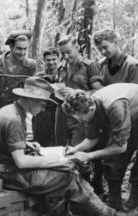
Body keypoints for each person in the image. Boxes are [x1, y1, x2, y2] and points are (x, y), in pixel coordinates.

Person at [0, 77, 138, 216]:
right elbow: (22, 162)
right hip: (13, 175)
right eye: (43, 103)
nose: (43, 108)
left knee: (63, 169)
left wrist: (27, 145)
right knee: (69, 176)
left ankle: (78, 208)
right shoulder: (15, 120)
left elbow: (6, 142)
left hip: (6, 168)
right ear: (31, 99)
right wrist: (57, 161)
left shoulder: (9, 110)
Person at [62, 83, 138, 210]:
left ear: (90, 110)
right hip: (132, 114)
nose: (79, 121)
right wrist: (76, 149)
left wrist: (89, 155)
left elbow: (120, 147)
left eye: (80, 118)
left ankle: (131, 206)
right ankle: (115, 202)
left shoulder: (115, 106)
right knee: (113, 162)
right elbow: (92, 138)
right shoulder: (90, 105)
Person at [53, 35, 104, 193]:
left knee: (79, 150)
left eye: (69, 52)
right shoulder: (62, 67)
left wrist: (78, 92)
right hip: (62, 113)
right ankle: (66, 185)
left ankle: (85, 188)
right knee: (61, 148)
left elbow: (100, 91)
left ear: (78, 48)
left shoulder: (89, 66)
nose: (66, 57)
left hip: (81, 116)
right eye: (63, 54)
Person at [32, 47, 61, 147]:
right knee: (40, 144)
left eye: (54, 59)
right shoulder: (38, 77)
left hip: (59, 113)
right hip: (42, 115)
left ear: (59, 59)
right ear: (44, 61)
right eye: (48, 60)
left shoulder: (63, 75)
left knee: (58, 144)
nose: (51, 62)